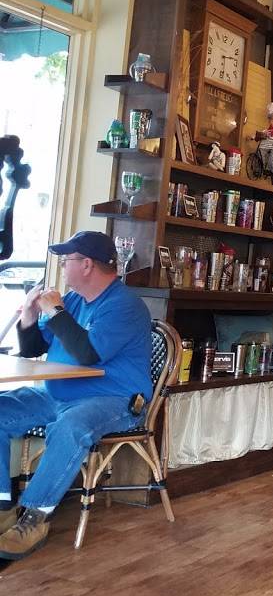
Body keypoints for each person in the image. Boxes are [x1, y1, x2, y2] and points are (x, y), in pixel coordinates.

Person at [0, 231, 153, 560]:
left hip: (116, 398)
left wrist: (55, 312)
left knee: (71, 426)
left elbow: (88, 354)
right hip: (58, 393)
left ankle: (34, 518)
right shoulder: (71, 301)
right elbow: (33, 348)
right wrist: (28, 319)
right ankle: (2, 508)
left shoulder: (124, 305)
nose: (61, 267)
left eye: (65, 261)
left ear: (86, 265)